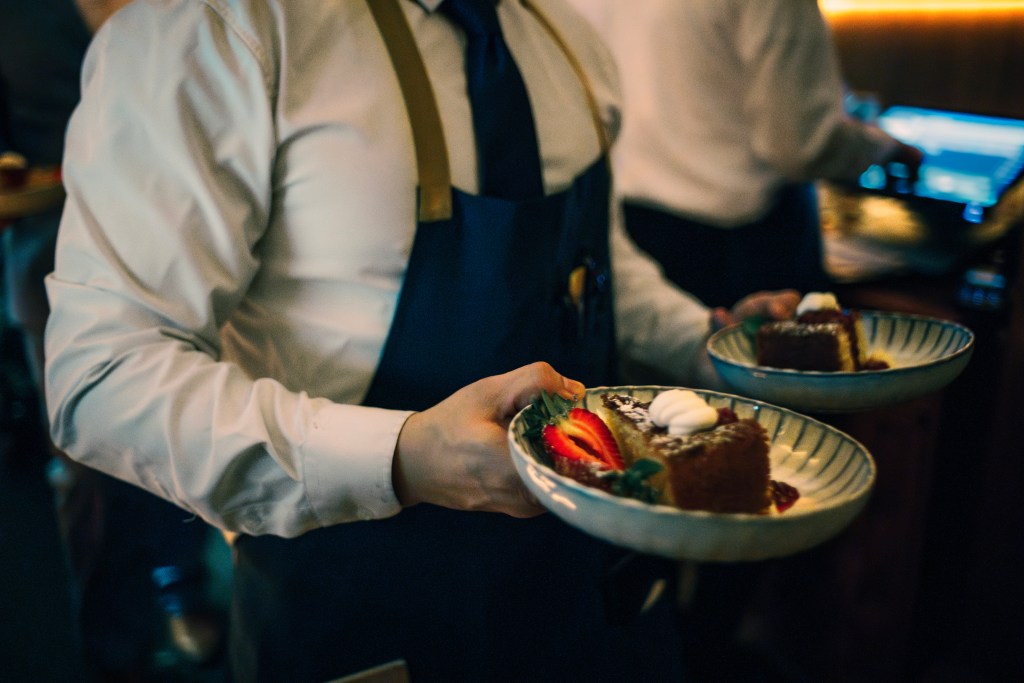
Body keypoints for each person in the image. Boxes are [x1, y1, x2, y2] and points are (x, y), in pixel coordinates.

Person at [44, 1, 799, 680]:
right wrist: (404, 456)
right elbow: (104, 375)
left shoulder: (562, 36)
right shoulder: (214, 27)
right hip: (365, 619)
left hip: (590, 605)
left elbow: (598, 263)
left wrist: (706, 341)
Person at [1, 0, 225, 677]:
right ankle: (107, 653)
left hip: (197, 240)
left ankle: (190, 589)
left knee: (206, 425)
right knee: (100, 467)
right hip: (58, 261)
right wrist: (67, 179)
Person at [567, 0, 925, 311]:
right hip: (739, 253)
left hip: (626, 227)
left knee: (653, 389)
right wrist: (885, 149)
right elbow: (800, 144)